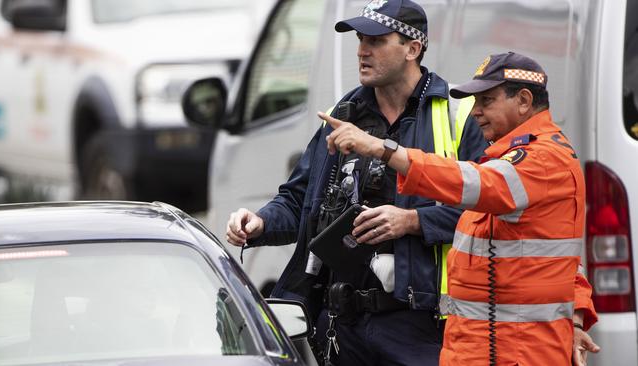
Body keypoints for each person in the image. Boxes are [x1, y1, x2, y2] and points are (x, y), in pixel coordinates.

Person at [227, 0, 487, 364]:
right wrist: (260, 223)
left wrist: (411, 222)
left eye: (377, 40)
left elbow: (490, 213)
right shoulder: (343, 115)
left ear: (413, 48)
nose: (363, 50)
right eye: (360, 39)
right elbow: (299, 200)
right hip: (343, 325)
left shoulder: (460, 115)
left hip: (423, 327)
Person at [321, 51, 601, 365]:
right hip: (479, 350)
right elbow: (557, 260)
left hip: (515, 353)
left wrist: (383, 149)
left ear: (523, 100)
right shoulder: (512, 158)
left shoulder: (543, 159)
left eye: (487, 101)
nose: (476, 111)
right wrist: (574, 321)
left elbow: (470, 182)